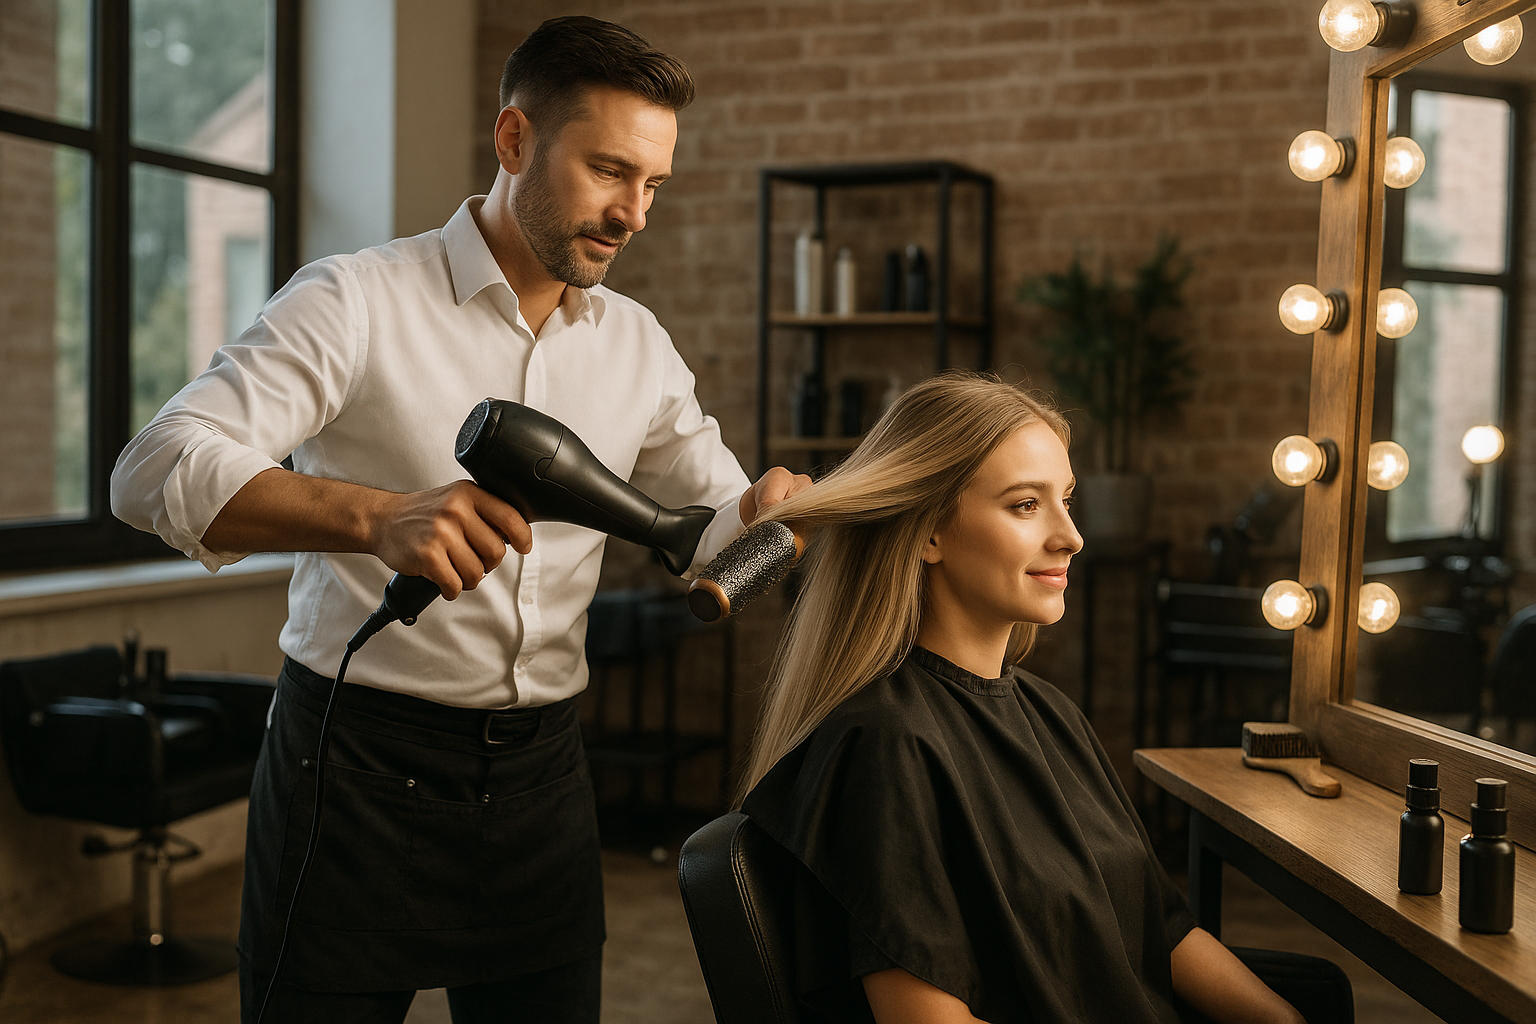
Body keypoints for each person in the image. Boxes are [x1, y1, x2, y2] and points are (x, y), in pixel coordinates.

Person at [111, 16, 808, 1024]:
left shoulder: (639, 349)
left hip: (541, 785)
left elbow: (705, 526)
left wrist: (765, 510)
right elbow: (151, 468)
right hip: (350, 773)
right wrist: (377, 517)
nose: (634, 214)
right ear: (515, 141)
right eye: (610, 170)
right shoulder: (356, 300)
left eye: (653, 183)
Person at [737, 372, 1306, 1024]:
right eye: (1025, 505)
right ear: (929, 534)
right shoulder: (882, 747)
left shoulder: (1051, 713)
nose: (1071, 537)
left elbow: (1164, 929)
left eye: (1066, 499)